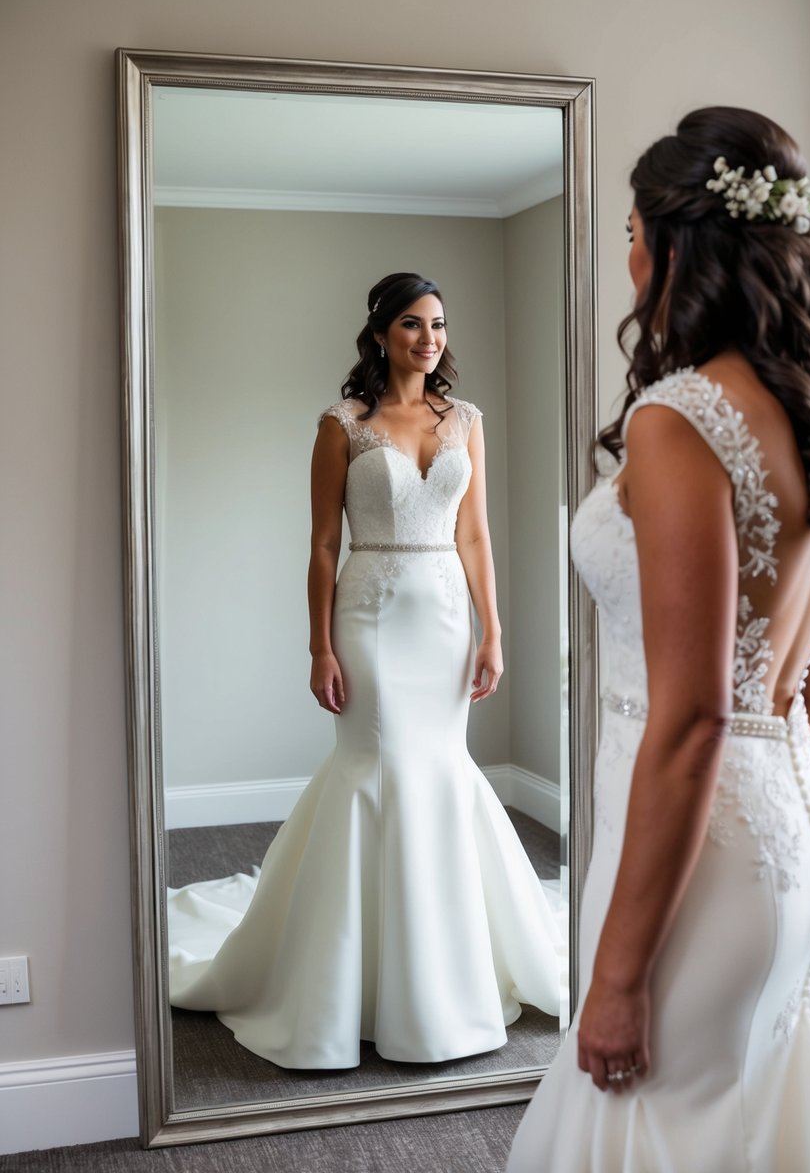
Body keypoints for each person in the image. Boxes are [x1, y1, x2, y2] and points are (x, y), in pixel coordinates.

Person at [508, 108, 810, 1172]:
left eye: (633, 234)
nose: (629, 259)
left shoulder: (682, 418)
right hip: (780, 827)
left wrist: (616, 972)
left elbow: (688, 719)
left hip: (695, 851)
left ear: (674, 243)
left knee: (649, 1129)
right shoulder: (809, 406)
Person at [166, 271, 563, 1069]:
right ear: (380, 333)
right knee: (374, 768)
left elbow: (476, 537)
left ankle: (442, 975)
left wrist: (492, 633)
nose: (429, 339)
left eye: (439, 324)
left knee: (441, 770)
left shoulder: (466, 421)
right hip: (371, 615)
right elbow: (321, 545)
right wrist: (319, 645)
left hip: (446, 617)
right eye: (413, 324)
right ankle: (345, 979)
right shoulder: (342, 423)